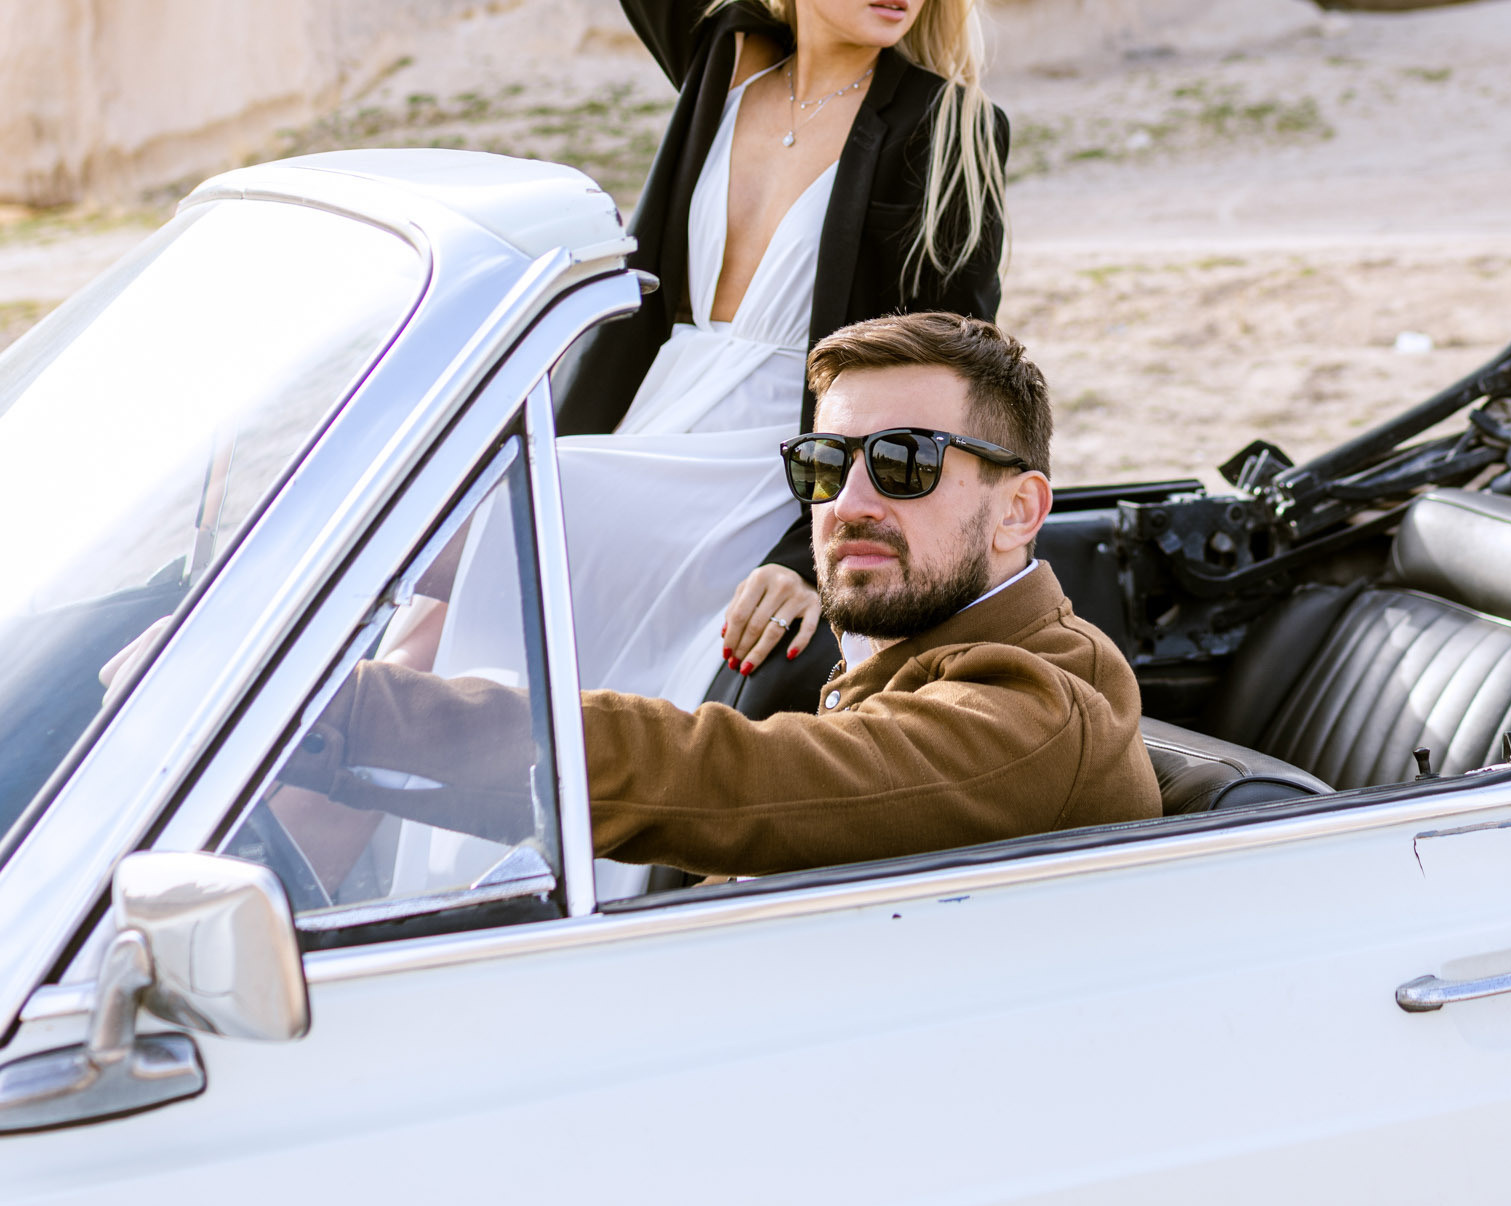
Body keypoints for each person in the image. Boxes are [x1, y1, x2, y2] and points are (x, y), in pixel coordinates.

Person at [295, 315, 1161, 878]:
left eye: (905, 462)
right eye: (824, 465)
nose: (850, 502)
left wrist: (337, 708)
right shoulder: (910, 659)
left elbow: (730, 776)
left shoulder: (1031, 714)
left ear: (1020, 510)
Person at [548, 0, 1009, 715]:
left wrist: (807, 559)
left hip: (784, 467)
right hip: (645, 422)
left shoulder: (948, 131)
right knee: (466, 593)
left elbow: (942, 373)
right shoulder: (722, 51)